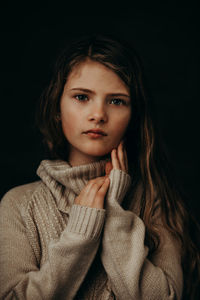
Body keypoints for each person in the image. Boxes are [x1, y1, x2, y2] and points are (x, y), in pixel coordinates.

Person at [0, 34, 199, 300]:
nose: (98, 114)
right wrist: (81, 233)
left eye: (116, 101)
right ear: (57, 107)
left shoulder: (155, 200)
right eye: (82, 97)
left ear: (133, 117)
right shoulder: (18, 204)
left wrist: (114, 216)